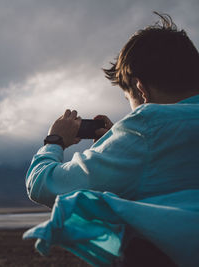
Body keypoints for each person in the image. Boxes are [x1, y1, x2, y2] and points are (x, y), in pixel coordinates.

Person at [23, 12, 199, 267]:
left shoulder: (146, 127)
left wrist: (55, 141)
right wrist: (114, 143)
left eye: (129, 100)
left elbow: (43, 185)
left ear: (141, 89)